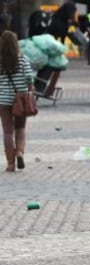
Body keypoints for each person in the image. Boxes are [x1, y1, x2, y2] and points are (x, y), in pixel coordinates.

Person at [0, 31, 33, 172]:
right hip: (20, 99)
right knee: (20, 128)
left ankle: (10, 163)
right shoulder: (23, 59)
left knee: (7, 132)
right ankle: (19, 152)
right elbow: (29, 78)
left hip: (3, 100)